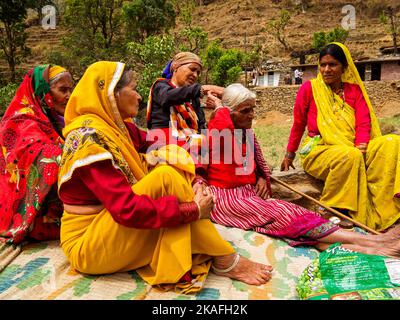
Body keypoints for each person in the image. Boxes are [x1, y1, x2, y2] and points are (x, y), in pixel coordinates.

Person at [58, 61, 273, 294]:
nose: (140, 97)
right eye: (134, 88)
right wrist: (192, 210)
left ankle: (216, 251)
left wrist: (198, 173)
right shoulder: (89, 140)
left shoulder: (118, 129)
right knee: (165, 177)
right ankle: (224, 258)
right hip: (89, 244)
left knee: (172, 160)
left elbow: (164, 142)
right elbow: (126, 209)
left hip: (111, 227)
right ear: (112, 93)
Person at [198, 83, 400, 257]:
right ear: (228, 113)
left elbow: (255, 164)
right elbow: (221, 124)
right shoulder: (218, 132)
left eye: (252, 109)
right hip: (227, 199)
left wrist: (260, 177)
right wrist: (218, 106)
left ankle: (370, 247)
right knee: (284, 214)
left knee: (295, 216)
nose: (251, 115)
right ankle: (375, 242)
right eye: (245, 111)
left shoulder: (244, 132)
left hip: (248, 194)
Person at [281, 42, 400, 232]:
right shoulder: (309, 89)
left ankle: (390, 202)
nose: (326, 70)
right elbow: (298, 123)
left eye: (333, 64)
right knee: (349, 156)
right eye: (323, 65)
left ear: (344, 67)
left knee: (393, 142)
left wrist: (361, 147)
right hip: (320, 149)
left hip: (354, 147)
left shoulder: (354, 90)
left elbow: (363, 122)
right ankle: (331, 209)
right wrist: (289, 154)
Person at [0, 65, 73, 245]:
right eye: (62, 90)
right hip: (14, 202)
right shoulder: (22, 118)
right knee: (53, 159)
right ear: (44, 92)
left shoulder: (54, 118)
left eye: (70, 89)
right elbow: (38, 150)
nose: (69, 96)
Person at [146, 52, 223, 148]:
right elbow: (168, 97)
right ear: (175, 67)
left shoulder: (192, 99)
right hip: (164, 145)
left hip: (189, 144)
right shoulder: (160, 86)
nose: (195, 75)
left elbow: (201, 126)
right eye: (192, 69)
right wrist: (201, 89)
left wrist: (217, 109)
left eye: (198, 73)